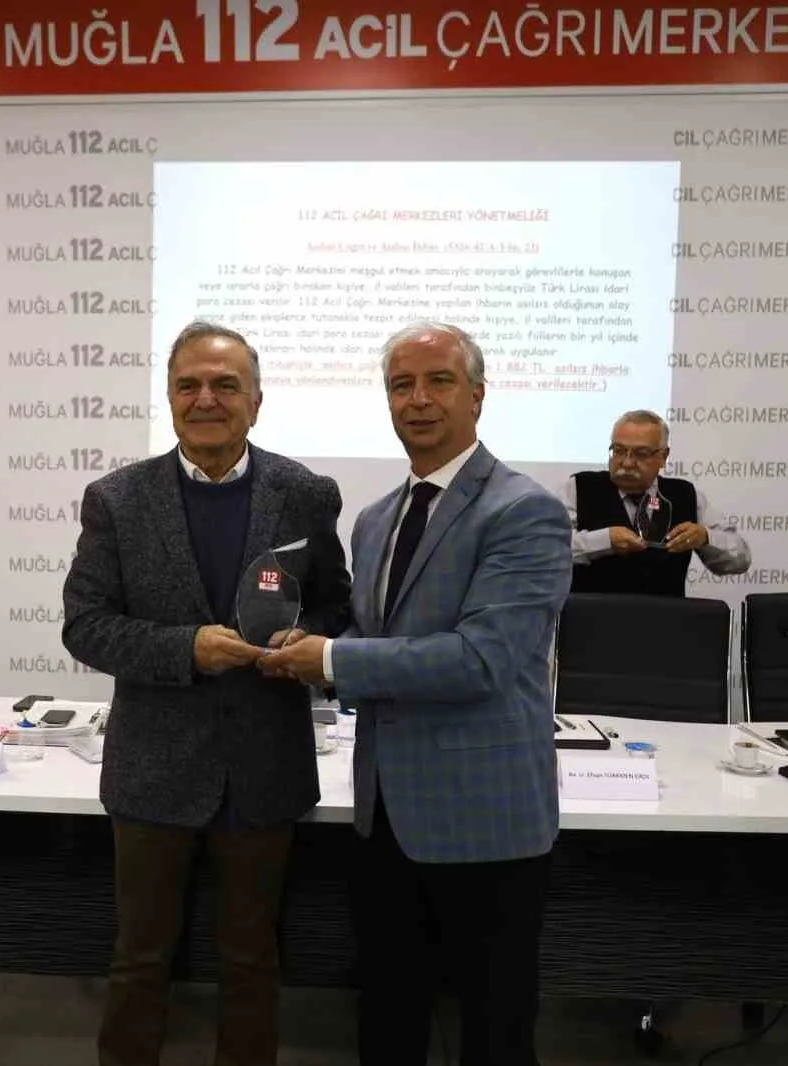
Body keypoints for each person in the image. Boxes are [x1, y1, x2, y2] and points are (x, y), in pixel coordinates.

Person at [260, 321, 572, 1066]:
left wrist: (331, 658)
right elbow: (375, 634)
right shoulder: (376, 519)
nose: (419, 400)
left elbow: (482, 660)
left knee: (495, 1033)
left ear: (477, 395)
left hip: (485, 818)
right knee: (387, 1020)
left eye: (439, 382)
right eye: (402, 385)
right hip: (386, 817)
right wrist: (299, 642)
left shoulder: (523, 511)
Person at [62, 320, 352, 1066]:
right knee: (140, 956)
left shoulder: (304, 493)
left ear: (256, 400)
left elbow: (335, 606)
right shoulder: (118, 499)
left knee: (252, 956)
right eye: (188, 385)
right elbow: (85, 626)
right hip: (153, 768)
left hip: (265, 764)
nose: (206, 399)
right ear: (168, 397)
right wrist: (183, 648)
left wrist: (309, 640)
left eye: (226, 385)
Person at [565, 410, 750, 596]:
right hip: (593, 612)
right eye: (619, 451)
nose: (627, 463)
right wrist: (604, 541)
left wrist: (705, 538)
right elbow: (551, 549)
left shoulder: (685, 495)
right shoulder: (579, 487)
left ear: (664, 456)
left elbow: (740, 560)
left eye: (641, 453)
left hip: (666, 612)